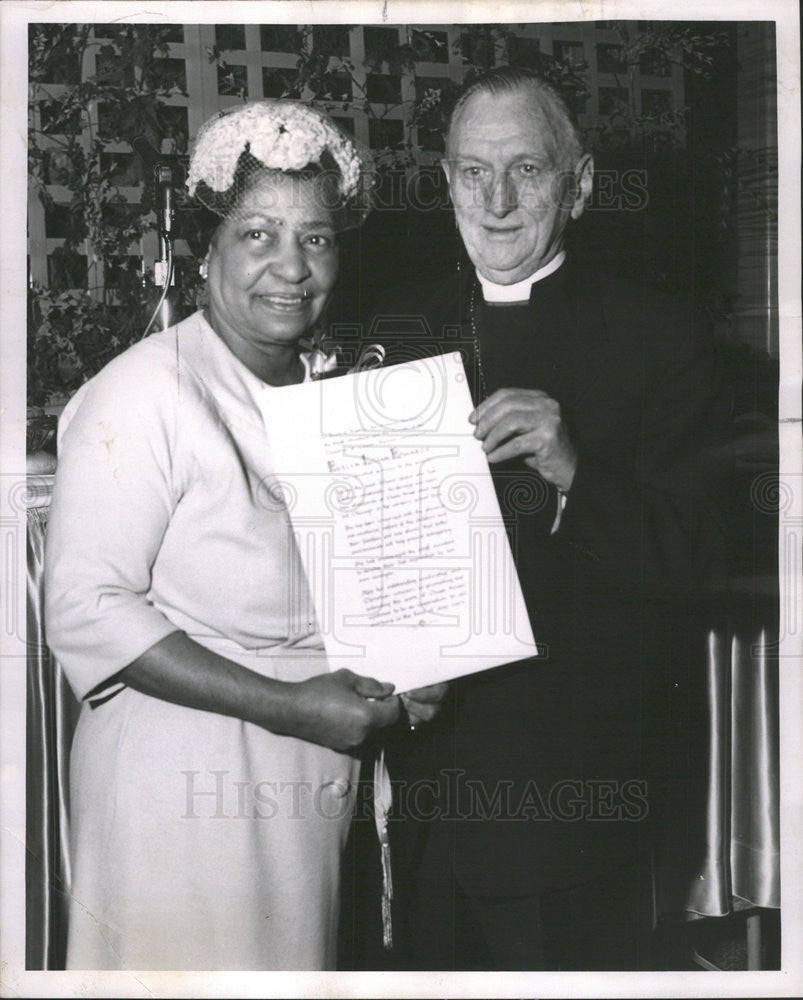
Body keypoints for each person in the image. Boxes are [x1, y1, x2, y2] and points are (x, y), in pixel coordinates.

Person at [43, 100, 445, 971]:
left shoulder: (331, 388)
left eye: (317, 238)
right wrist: (290, 705)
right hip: (180, 781)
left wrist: (416, 666)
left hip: (303, 777)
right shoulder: (145, 392)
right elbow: (83, 606)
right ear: (207, 249)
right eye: (257, 235)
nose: (290, 268)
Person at [359, 68, 732, 970]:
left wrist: (576, 473)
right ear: (446, 180)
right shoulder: (394, 325)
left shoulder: (662, 336)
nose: (495, 201)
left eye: (526, 169)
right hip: (428, 796)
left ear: (581, 184)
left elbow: (701, 561)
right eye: (473, 172)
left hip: (571, 806)